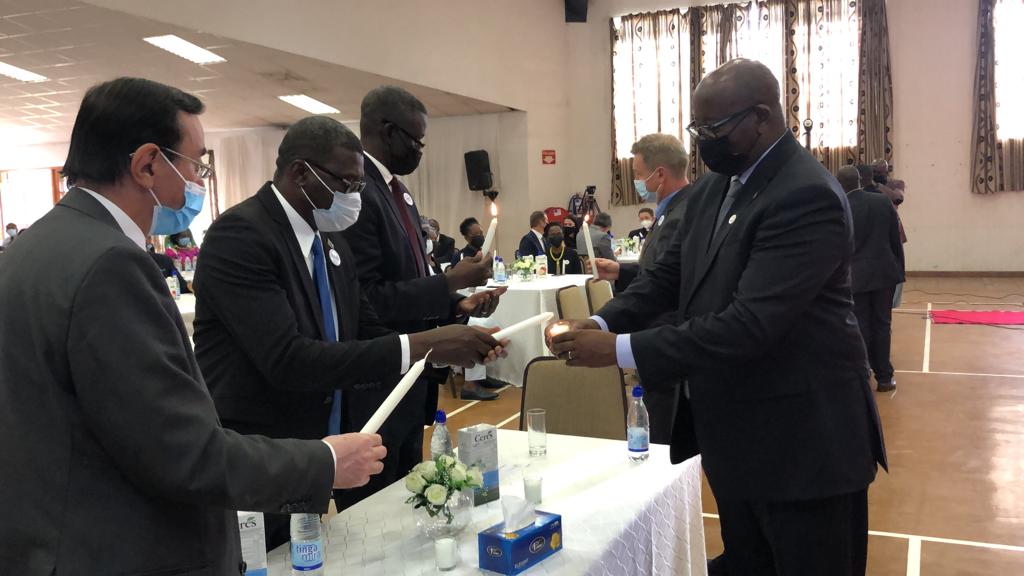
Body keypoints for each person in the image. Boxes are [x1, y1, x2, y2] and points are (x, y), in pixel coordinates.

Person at [0, 77, 388, 575]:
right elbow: (180, 450)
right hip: (118, 545)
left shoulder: (35, 247)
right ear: (146, 164)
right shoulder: (110, 264)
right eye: (195, 164)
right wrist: (326, 462)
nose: (198, 181)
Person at [550, 59, 886, 576]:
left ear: (762, 118)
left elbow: (749, 326)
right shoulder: (713, 188)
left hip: (805, 444)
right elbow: (665, 277)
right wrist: (599, 323)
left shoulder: (805, 194)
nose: (703, 142)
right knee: (748, 561)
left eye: (713, 129)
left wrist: (620, 350)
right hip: (735, 436)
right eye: (696, 129)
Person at [193, 116, 505, 547]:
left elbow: (366, 330)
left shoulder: (331, 241)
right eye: (347, 184)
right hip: (262, 448)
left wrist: (444, 349)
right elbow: (288, 359)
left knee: (307, 555)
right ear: (300, 173)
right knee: (267, 556)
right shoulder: (242, 235)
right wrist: (422, 345)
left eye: (360, 186)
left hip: (320, 442)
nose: (355, 198)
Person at [341, 85, 503, 509]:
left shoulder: (401, 193)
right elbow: (368, 297)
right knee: (377, 503)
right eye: (416, 141)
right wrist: (449, 283)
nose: (419, 152)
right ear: (386, 130)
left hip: (415, 375)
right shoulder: (358, 195)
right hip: (379, 377)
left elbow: (414, 271)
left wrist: (455, 305)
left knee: (410, 488)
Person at [589, 133, 694, 454]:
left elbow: (663, 283)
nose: (636, 181)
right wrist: (622, 271)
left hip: (664, 338)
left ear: (659, 174)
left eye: (637, 174)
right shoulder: (672, 210)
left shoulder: (681, 214)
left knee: (663, 441)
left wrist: (598, 323)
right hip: (658, 335)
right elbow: (664, 270)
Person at [837, 166, 904, 394]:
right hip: (885, 272)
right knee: (883, 324)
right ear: (859, 180)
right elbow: (894, 238)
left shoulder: (841, 207)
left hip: (855, 276)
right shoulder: (882, 202)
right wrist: (899, 269)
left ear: (840, 183)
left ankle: (862, 374)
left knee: (861, 324)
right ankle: (885, 377)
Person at [872, 159, 908, 308]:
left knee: (897, 267)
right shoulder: (869, 186)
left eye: (880, 170)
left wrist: (878, 185)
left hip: (893, 232)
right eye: (875, 170)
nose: (877, 173)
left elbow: (897, 198)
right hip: (875, 230)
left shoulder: (896, 184)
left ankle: (891, 303)